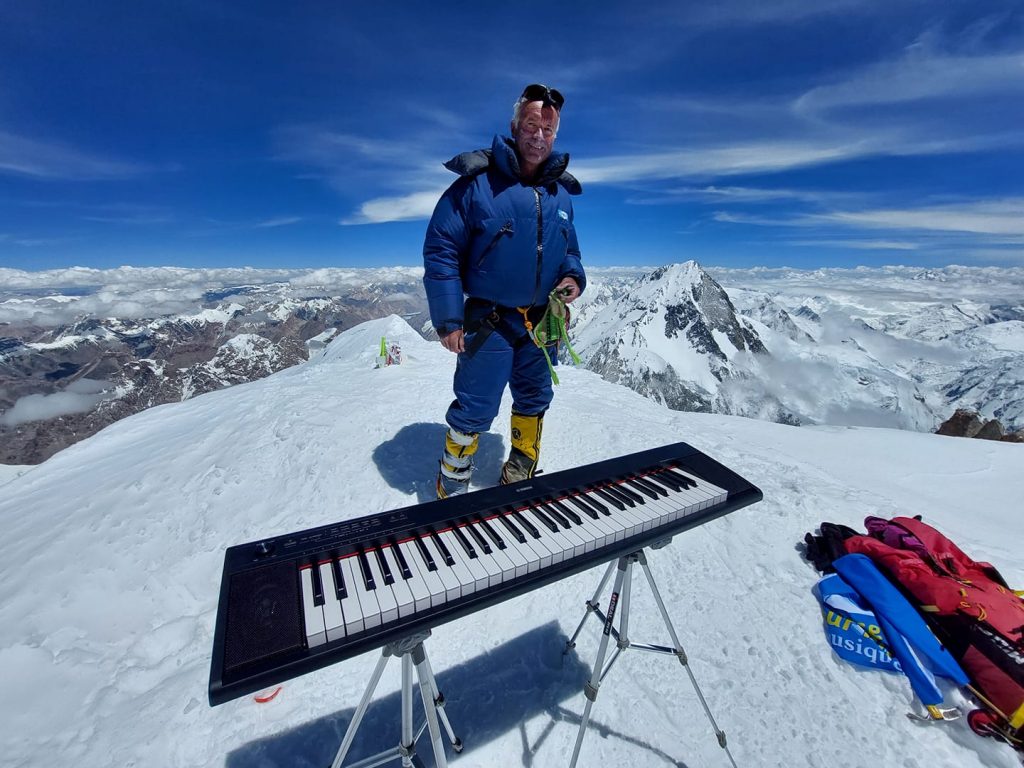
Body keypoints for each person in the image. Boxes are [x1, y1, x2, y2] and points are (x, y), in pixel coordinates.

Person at [423, 83, 586, 498]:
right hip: (489, 319)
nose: (539, 136)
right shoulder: (476, 187)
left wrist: (571, 279)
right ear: (514, 127)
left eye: (548, 129)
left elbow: (570, 251)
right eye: (531, 124)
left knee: (534, 396)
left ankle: (521, 468)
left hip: (540, 322)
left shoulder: (559, 196)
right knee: (475, 403)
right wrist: (448, 318)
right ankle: (454, 479)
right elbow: (442, 248)